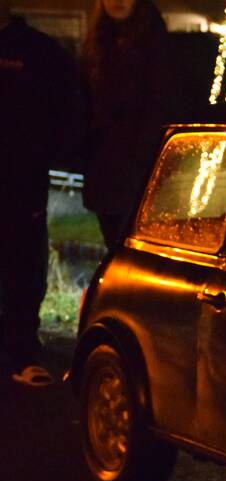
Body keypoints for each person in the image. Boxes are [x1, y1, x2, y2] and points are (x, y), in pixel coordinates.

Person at [0, 0, 75, 387]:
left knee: (23, 265)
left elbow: (64, 107)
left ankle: (22, 352)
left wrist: (42, 151)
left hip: (21, 181)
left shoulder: (38, 51)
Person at [81, 0, 175, 249]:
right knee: (114, 248)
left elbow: (160, 106)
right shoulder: (97, 43)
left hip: (141, 175)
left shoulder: (155, 43)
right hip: (106, 172)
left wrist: (139, 157)